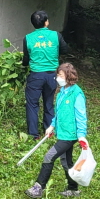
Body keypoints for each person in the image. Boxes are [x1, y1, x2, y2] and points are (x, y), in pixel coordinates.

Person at [25, 63, 89, 199]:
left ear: (68, 76)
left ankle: (39, 187)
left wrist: (81, 136)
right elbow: (58, 113)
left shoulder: (76, 94)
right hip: (62, 133)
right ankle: (73, 189)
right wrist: (52, 126)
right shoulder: (61, 93)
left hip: (70, 135)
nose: (57, 78)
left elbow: (81, 116)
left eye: (60, 75)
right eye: (57, 75)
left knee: (49, 156)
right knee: (66, 161)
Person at [23, 10, 68, 139]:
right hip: (52, 76)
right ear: (46, 22)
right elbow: (65, 49)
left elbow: (26, 60)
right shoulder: (56, 35)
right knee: (49, 103)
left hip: (35, 76)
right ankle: (49, 132)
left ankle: (33, 134)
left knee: (32, 104)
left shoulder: (27, 38)